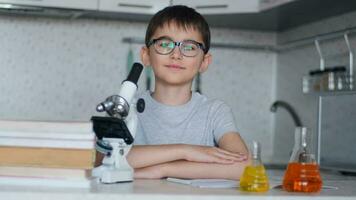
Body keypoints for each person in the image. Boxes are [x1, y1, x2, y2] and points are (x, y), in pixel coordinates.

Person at [93, 5, 250, 180]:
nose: (176, 54)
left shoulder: (215, 112)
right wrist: (185, 151)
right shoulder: (127, 107)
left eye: (189, 47)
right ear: (146, 55)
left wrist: (163, 170)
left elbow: (244, 167)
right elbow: (103, 161)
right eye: (165, 44)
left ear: (204, 62)